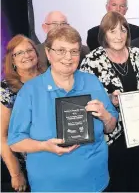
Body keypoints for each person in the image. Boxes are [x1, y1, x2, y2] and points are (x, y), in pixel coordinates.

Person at [7, 26, 118, 191]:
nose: (68, 57)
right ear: (48, 52)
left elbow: (111, 126)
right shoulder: (30, 91)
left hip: (95, 182)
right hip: (50, 185)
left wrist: (106, 116)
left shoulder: (91, 81)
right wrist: (44, 146)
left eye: (74, 51)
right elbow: (15, 141)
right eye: (61, 50)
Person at [80, 11, 139, 191]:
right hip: (112, 139)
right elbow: (84, 100)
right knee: (118, 184)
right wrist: (108, 101)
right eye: (112, 31)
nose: (119, 36)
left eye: (123, 30)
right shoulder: (92, 61)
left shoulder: (138, 55)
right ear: (103, 34)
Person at [1, 35, 45, 192]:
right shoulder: (6, 90)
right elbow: (2, 136)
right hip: (25, 165)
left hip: (52, 159)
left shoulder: (49, 79)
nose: (26, 55)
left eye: (29, 50)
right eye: (19, 53)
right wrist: (16, 173)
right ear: (11, 60)